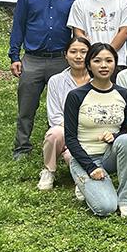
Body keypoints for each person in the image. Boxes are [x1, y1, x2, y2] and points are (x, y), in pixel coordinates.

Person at [9, 0, 77, 160]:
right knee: (26, 106)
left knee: (63, 107)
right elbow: (18, 26)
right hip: (33, 59)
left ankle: (62, 145)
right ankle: (22, 147)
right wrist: (14, 56)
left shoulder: (72, 0)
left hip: (60, 60)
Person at [64, 43, 127, 221]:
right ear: (89, 65)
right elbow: (70, 138)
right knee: (106, 207)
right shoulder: (76, 96)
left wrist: (115, 136)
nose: (103, 65)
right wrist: (91, 168)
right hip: (85, 158)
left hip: (110, 155)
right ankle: (85, 181)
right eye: (97, 61)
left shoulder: (125, 94)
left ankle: (126, 201)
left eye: (109, 61)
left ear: (115, 64)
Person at [37, 37, 91, 191]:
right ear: (66, 55)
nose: (78, 56)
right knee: (54, 134)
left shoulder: (97, 80)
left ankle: (82, 180)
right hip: (64, 129)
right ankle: (49, 170)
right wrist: (72, 133)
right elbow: (54, 116)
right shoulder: (56, 81)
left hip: (91, 131)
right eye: (73, 52)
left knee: (70, 156)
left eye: (83, 52)